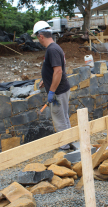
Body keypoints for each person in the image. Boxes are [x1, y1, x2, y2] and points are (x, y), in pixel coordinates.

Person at [33, 21, 71, 149]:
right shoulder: (55, 48)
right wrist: (46, 79)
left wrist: (52, 91)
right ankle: (69, 140)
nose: (38, 41)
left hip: (58, 92)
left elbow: (58, 71)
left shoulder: (52, 50)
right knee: (64, 116)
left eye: (38, 38)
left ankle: (65, 146)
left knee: (59, 118)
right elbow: (54, 69)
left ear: (41, 36)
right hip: (60, 89)